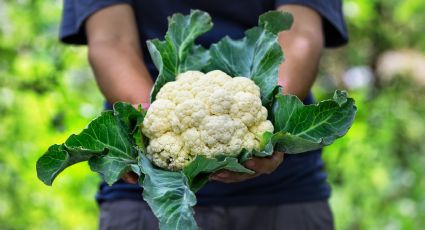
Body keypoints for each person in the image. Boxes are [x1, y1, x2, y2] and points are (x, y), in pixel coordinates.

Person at [60, 1, 348, 229]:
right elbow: (111, 41)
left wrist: (270, 122)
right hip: (150, 199)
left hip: (284, 195)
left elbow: (300, 34)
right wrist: (150, 124)